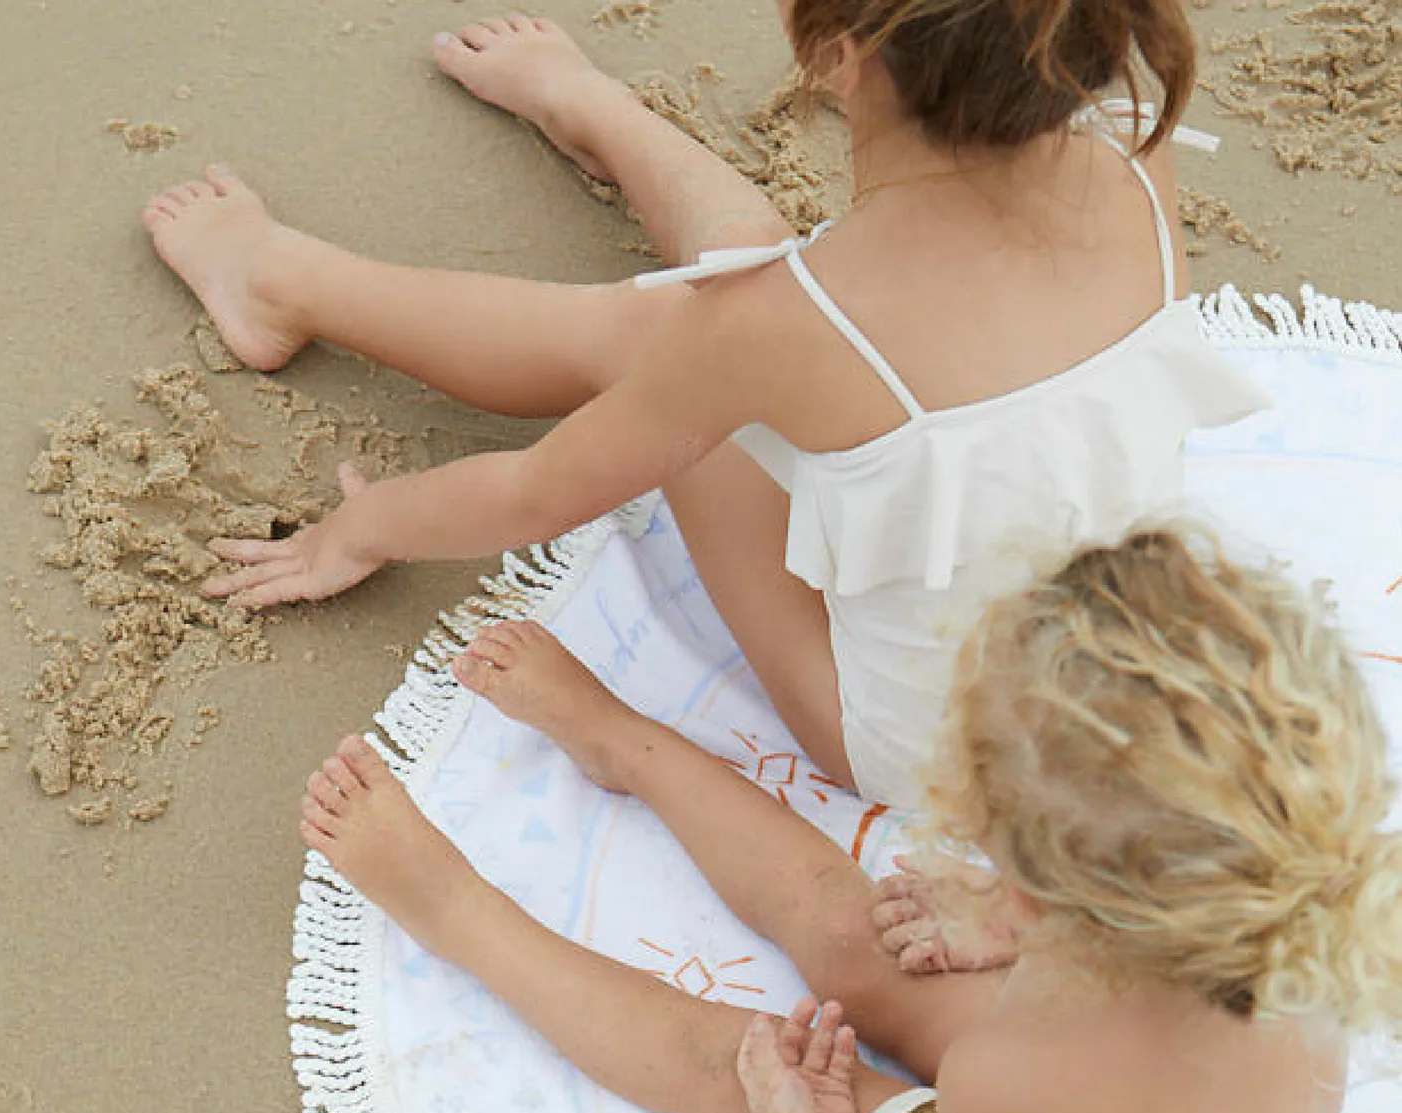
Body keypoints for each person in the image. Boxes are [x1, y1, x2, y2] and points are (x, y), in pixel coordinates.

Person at [298, 527, 1402, 1113]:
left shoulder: (1017, 1079)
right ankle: (622, 746)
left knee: (741, 1062)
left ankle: (452, 909)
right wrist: (1009, 918)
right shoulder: (1291, 886)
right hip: (1126, 1109)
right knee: (851, 927)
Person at [141, 5, 1267, 806]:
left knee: (673, 327)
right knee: (745, 291)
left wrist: (362, 527)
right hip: (1097, 678)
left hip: (927, 748)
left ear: (840, 59)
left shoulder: (793, 323)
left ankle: (280, 282)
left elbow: (538, 490)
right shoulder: (1135, 154)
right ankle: (593, 110)